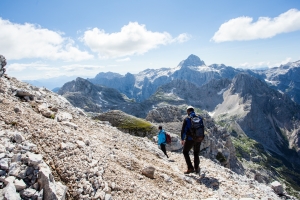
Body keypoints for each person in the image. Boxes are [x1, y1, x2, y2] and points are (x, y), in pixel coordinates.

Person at [181, 106, 202, 174]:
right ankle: (197, 168)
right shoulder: (199, 118)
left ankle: (190, 168)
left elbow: (183, 130)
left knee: (185, 152)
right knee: (196, 153)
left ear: (188, 111)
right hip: (199, 138)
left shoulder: (187, 119)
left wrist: (182, 139)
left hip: (190, 139)